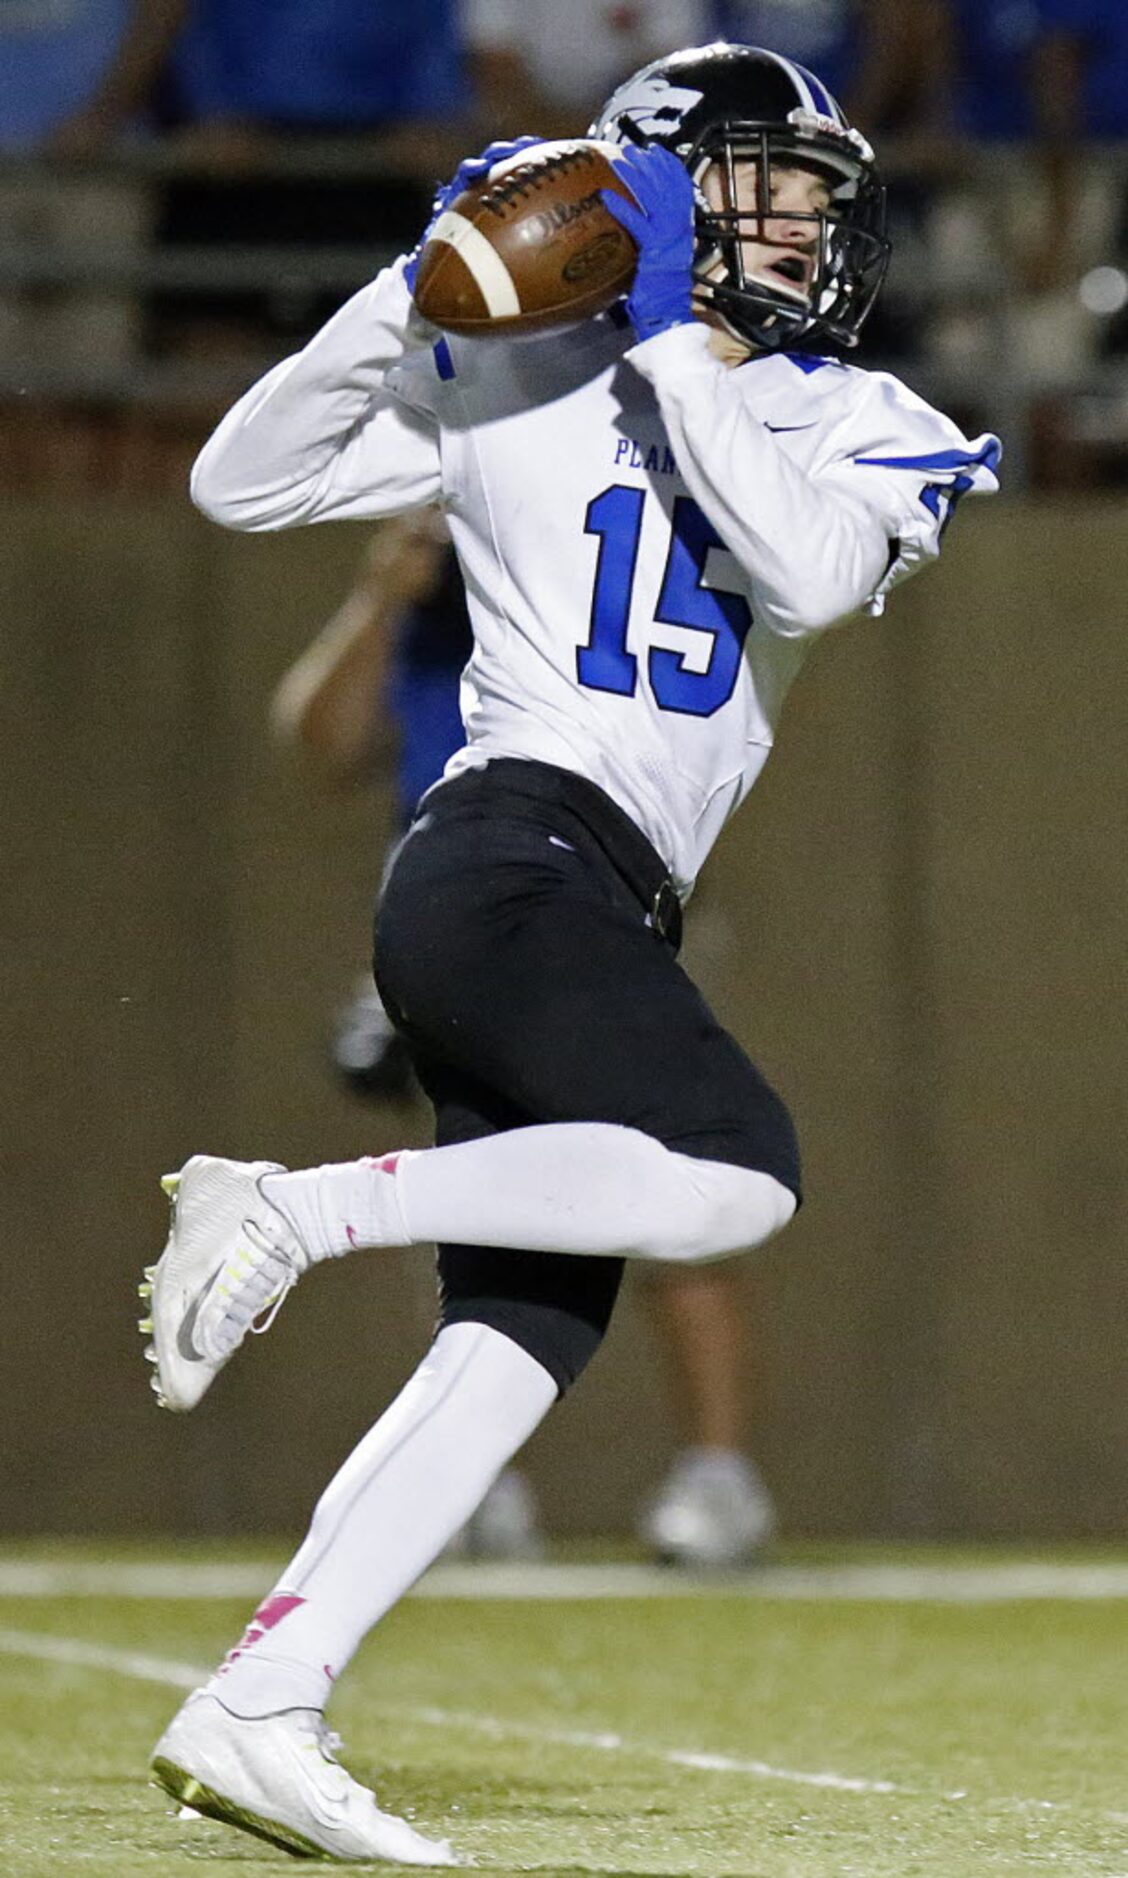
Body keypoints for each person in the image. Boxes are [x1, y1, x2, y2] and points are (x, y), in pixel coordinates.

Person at [141, 43, 1000, 1862]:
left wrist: (674, 349)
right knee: (739, 1178)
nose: (796, 217)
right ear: (656, 195)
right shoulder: (522, 372)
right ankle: (292, 1207)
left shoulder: (853, 415)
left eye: (802, 188)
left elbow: (812, 571)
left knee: (519, 1328)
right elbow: (241, 478)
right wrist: (405, 296)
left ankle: (262, 1699)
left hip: (588, 891)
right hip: (504, 850)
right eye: (755, 181)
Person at [272, 513, 780, 1567]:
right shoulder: (440, 598)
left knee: (685, 1173)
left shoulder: (595, 562)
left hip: (606, 893)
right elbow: (322, 739)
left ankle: (718, 1475)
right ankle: (472, 1476)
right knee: (472, 1182)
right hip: (464, 901)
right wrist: (380, 598)